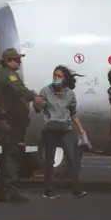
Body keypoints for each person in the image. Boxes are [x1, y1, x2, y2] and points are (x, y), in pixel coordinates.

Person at [34, 65, 87, 199]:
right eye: (55, 76)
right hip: (50, 129)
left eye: (59, 76)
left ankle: (77, 189)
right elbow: (38, 109)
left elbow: (73, 114)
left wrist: (81, 129)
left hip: (66, 129)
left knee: (72, 159)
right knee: (49, 161)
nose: (56, 78)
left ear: (65, 79)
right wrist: (38, 103)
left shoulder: (70, 94)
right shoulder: (45, 91)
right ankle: (48, 190)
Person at [0, 48, 36, 203]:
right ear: (8, 61)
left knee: (7, 156)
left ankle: (3, 191)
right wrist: (34, 97)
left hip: (4, 121)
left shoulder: (2, 75)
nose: (19, 62)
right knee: (13, 156)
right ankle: (11, 191)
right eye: (17, 59)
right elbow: (19, 89)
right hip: (9, 122)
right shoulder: (8, 75)